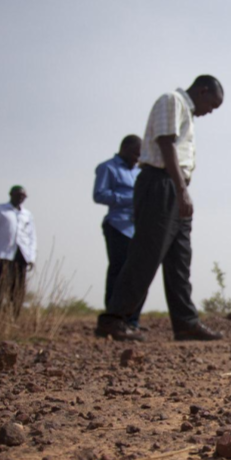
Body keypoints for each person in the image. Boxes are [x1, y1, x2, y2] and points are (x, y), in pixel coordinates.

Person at [94, 75, 225, 342]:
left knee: (179, 259)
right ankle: (114, 319)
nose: (210, 112)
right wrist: (180, 188)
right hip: (161, 184)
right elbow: (165, 143)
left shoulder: (186, 111)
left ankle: (186, 323)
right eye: (212, 105)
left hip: (175, 187)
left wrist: (182, 189)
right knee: (145, 255)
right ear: (202, 91)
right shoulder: (172, 100)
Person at [93, 134, 145, 329]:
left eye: (140, 155)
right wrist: (130, 199)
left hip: (138, 228)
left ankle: (132, 321)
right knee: (119, 271)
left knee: (138, 274)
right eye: (134, 153)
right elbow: (99, 194)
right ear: (123, 148)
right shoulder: (108, 167)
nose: (137, 158)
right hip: (118, 225)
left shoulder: (139, 171)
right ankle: (113, 319)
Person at [0, 185, 36, 318]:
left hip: (21, 255)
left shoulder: (27, 214)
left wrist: (31, 257)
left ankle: (14, 318)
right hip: (3, 254)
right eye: (18, 195)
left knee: (18, 290)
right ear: (11, 194)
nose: (20, 198)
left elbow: (31, 237)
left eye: (23, 196)